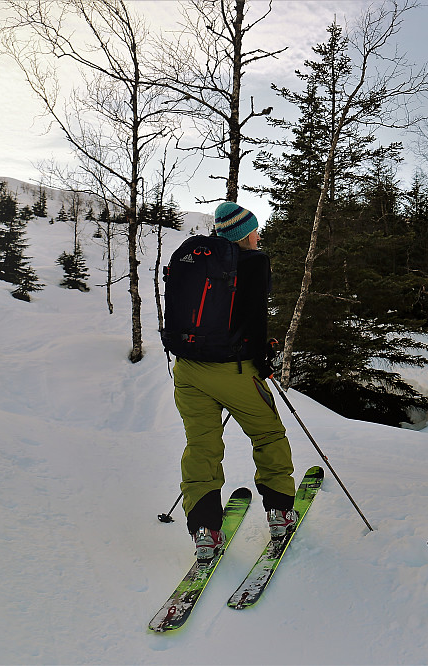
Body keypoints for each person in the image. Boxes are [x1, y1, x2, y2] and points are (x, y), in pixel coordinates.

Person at [173, 201, 297, 560]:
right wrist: (262, 357)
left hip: (187, 369)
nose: (259, 235)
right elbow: (254, 317)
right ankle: (279, 513)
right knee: (268, 433)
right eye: (255, 229)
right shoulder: (252, 263)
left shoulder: (198, 260)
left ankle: (204, 531)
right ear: (246, 233)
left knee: (201, 445)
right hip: (233, 370)